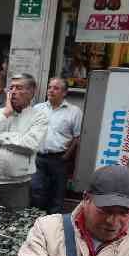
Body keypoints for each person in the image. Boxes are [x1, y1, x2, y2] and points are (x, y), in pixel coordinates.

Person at [0, 73, 49, 210]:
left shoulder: (39, 117)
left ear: (31, 91)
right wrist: (6, 115)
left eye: (19, 88)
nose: (13, 92)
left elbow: (30, 144)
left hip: (18, 185)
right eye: (11, 88)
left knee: (14, 223)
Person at [31, 78, 82, 214]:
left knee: (57, 195)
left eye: (56, 88)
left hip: (60, 159)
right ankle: (34, 222)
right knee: (36, 191)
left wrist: (66, 156)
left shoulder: (74, 111)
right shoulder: (38, 109)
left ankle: (52, 227)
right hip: (39, 158)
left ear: (64, 93)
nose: (51, 91)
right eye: (49, 87)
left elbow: (77, 138)